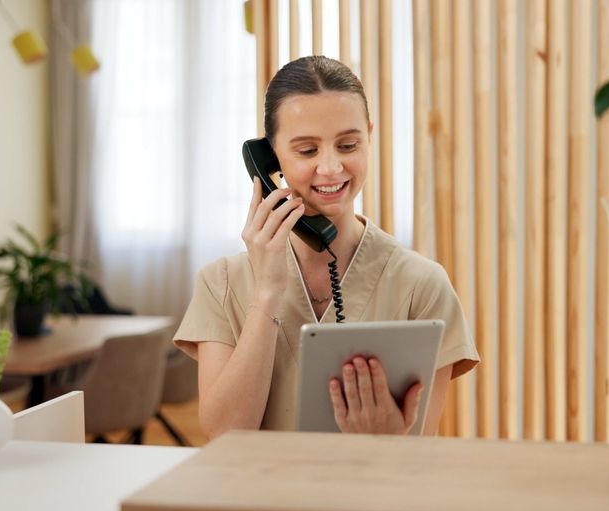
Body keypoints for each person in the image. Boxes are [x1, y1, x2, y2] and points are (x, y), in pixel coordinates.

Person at [173, 56, 478, 440]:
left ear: (369, 136)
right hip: (256, 497)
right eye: (307, 151)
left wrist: (389, 441)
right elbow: (223, 435)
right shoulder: (221, 283)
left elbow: (421, 453)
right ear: (269, 158)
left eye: (348, 144)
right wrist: (266, 293)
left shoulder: (423, 285)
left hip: (367, 499)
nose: (331, 167)